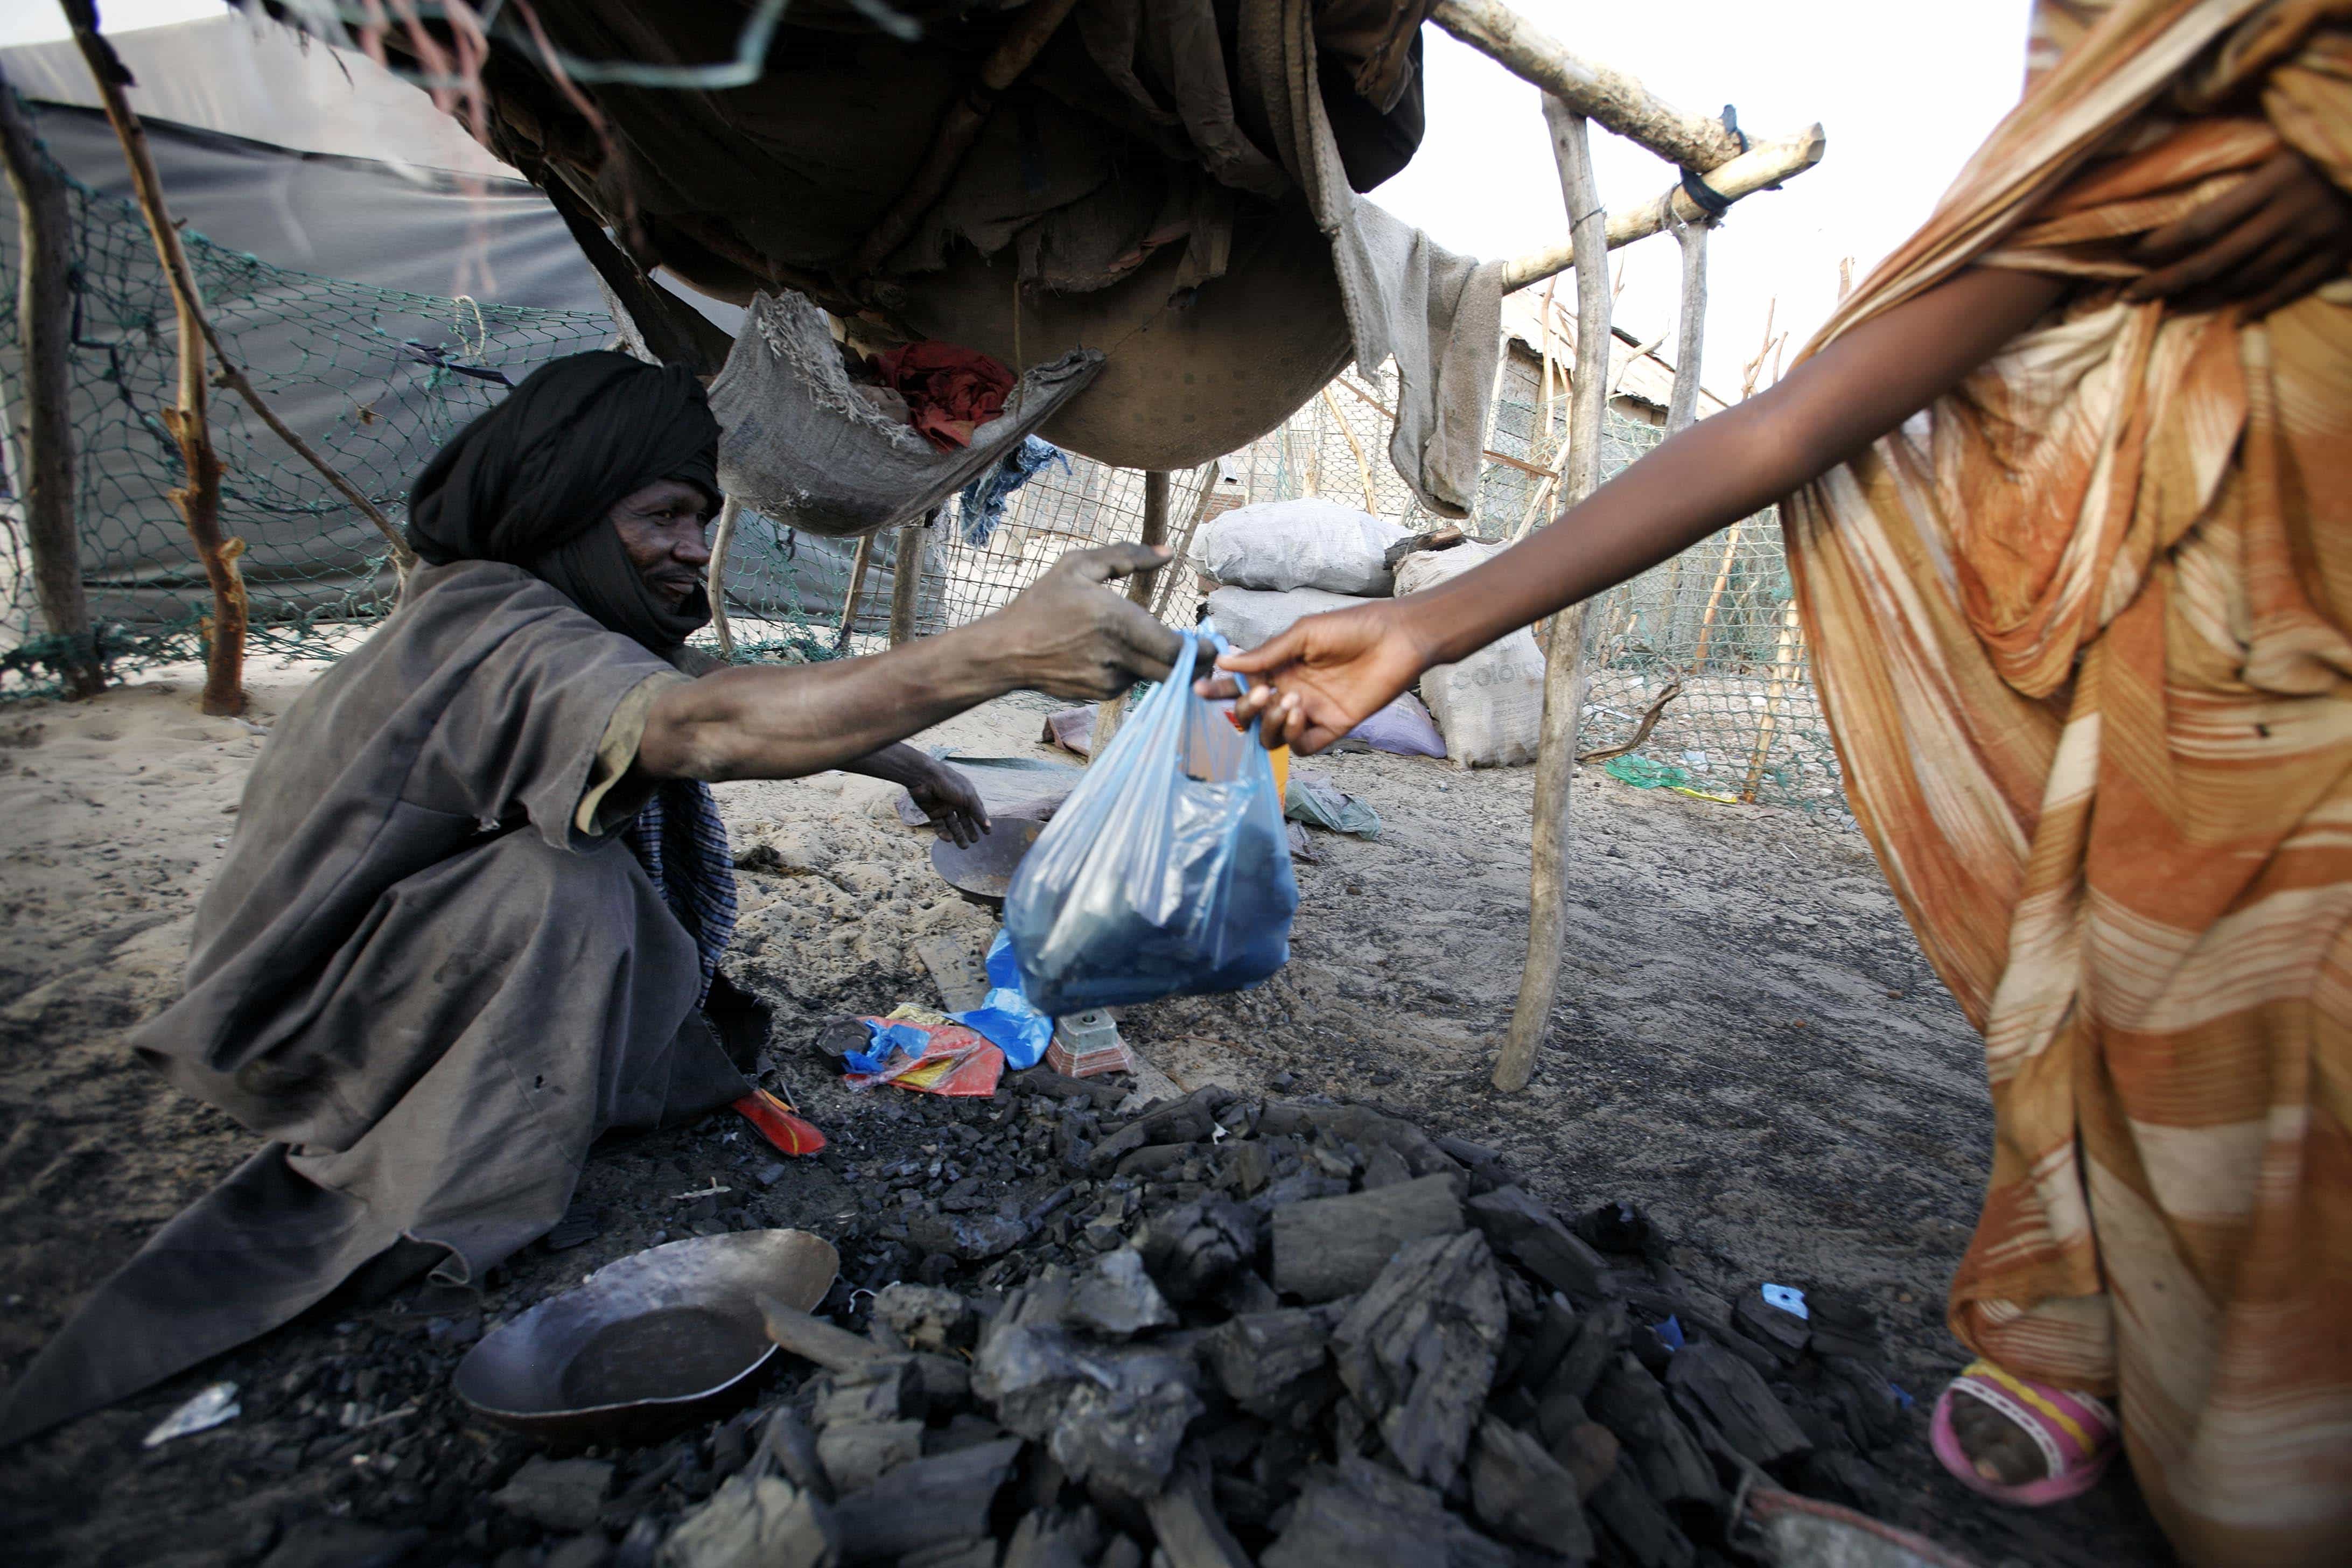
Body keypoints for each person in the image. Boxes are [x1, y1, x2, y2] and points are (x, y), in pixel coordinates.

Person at [1207, 2, 2352, 1562]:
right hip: (2209, 697)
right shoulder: (2180, 151)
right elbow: (1803, 419)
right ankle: (2099, 1322)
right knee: (2141, 1026)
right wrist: (1423, 619)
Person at [0, 350, 1183, 1449]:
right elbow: (702, 725)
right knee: (565, 884)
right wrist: (995, 655)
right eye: (661, 515)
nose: (689, 548)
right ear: (563, 507)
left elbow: (715, 680)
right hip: (291, 1031)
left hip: (344, 981)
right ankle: (443, 1185)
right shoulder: (498, 636)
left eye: (701, 522)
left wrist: (914, 760)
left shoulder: (524, 615)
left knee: (596, 862)